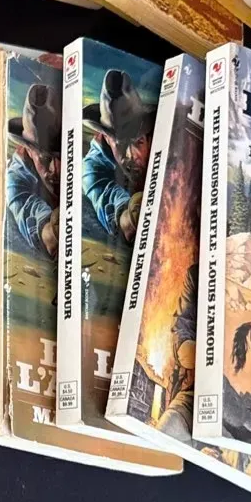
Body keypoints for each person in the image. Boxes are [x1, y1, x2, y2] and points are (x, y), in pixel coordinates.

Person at [81, 69, 155, 242]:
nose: (130, 155)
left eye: (138, 142)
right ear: (106, 139)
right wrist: (128, 214)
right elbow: (107, 196)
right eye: (121, 144)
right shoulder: (92, 167)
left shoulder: (161, 137)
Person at [6, 83, 61, 259]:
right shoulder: (15, 178)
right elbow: (26, 207)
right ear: (29, 151)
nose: (54, 169)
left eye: (61, 157)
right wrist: (48, 229)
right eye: (45, 158)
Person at [159, 265, 198, 439]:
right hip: (195, 393)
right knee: (166, 431)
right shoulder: (195, 274)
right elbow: (182, 327)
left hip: (246, 412)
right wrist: (187, 349)